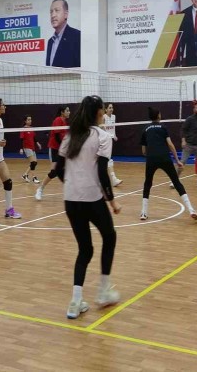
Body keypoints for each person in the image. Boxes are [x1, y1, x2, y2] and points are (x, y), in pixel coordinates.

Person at [54, 95, 121, 319]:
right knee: (110, 237)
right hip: (92, 200)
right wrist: (112, 201)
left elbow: (58, 169)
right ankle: (103, 291)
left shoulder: (70, 135)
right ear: (99, 112)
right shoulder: (103, 136)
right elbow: (102, 172)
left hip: (71, 200)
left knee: (85, 249)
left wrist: (72, 185)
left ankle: (75, 302)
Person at [140, 107, 197, 221]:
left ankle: (143, 213)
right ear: (158, 115)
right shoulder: (163, 127)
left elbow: (143, 151)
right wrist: (177, 160)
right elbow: (170, 144)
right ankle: (191, 210)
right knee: (176, 182)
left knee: (147, 184)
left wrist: (151, 155)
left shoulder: (145, 129)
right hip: (164, 158)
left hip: (151, 159)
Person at [35, 106, 70, 201]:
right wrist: (64, 147)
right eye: (67, 110)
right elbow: (57, 136)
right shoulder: (58, 120)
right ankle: (40, 189)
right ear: (62, 112)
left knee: (66, 170)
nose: (69, 112)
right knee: (54, 171)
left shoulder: (64, 121)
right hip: (55, 149)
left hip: (62, 149)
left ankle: (70, 190)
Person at [174, 101, 197, 188]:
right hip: (188, 145)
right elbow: (183, 130)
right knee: (182, 163)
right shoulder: (189, 119)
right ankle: (175, 180)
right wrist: (183, 140)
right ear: (194, 109)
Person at [46, 0, 81, 68]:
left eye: (57, 10)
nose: (53, 15)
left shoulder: (77, 36)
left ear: (66, 14)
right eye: (51, 12)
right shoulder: (50, 42)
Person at [101, 103, 123, 187]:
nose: (111, 109)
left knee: (108, 159)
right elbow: (101, 128)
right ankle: (113, 179)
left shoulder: (114, 117)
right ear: (106, 109)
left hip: (110, 139)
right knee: (108, 159)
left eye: (112, 107)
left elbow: (113, 127)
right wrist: (106, 136)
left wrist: (114, 135)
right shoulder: (103, 117)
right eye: (109, 108)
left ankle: (113, 179)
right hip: (104, 140)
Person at [20, 115, 42, 184]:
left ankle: (25, 175)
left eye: (30, 119)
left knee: (35, 163)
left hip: (32, 147)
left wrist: (38, 143)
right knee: (33, 163)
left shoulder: (32, 128)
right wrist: (21, 148)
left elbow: (34, 137)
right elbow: (21, 139)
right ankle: (34, 178)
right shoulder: (23, 129)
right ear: (25, 121)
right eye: (28, 120)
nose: (30, 121)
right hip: (27, 147)